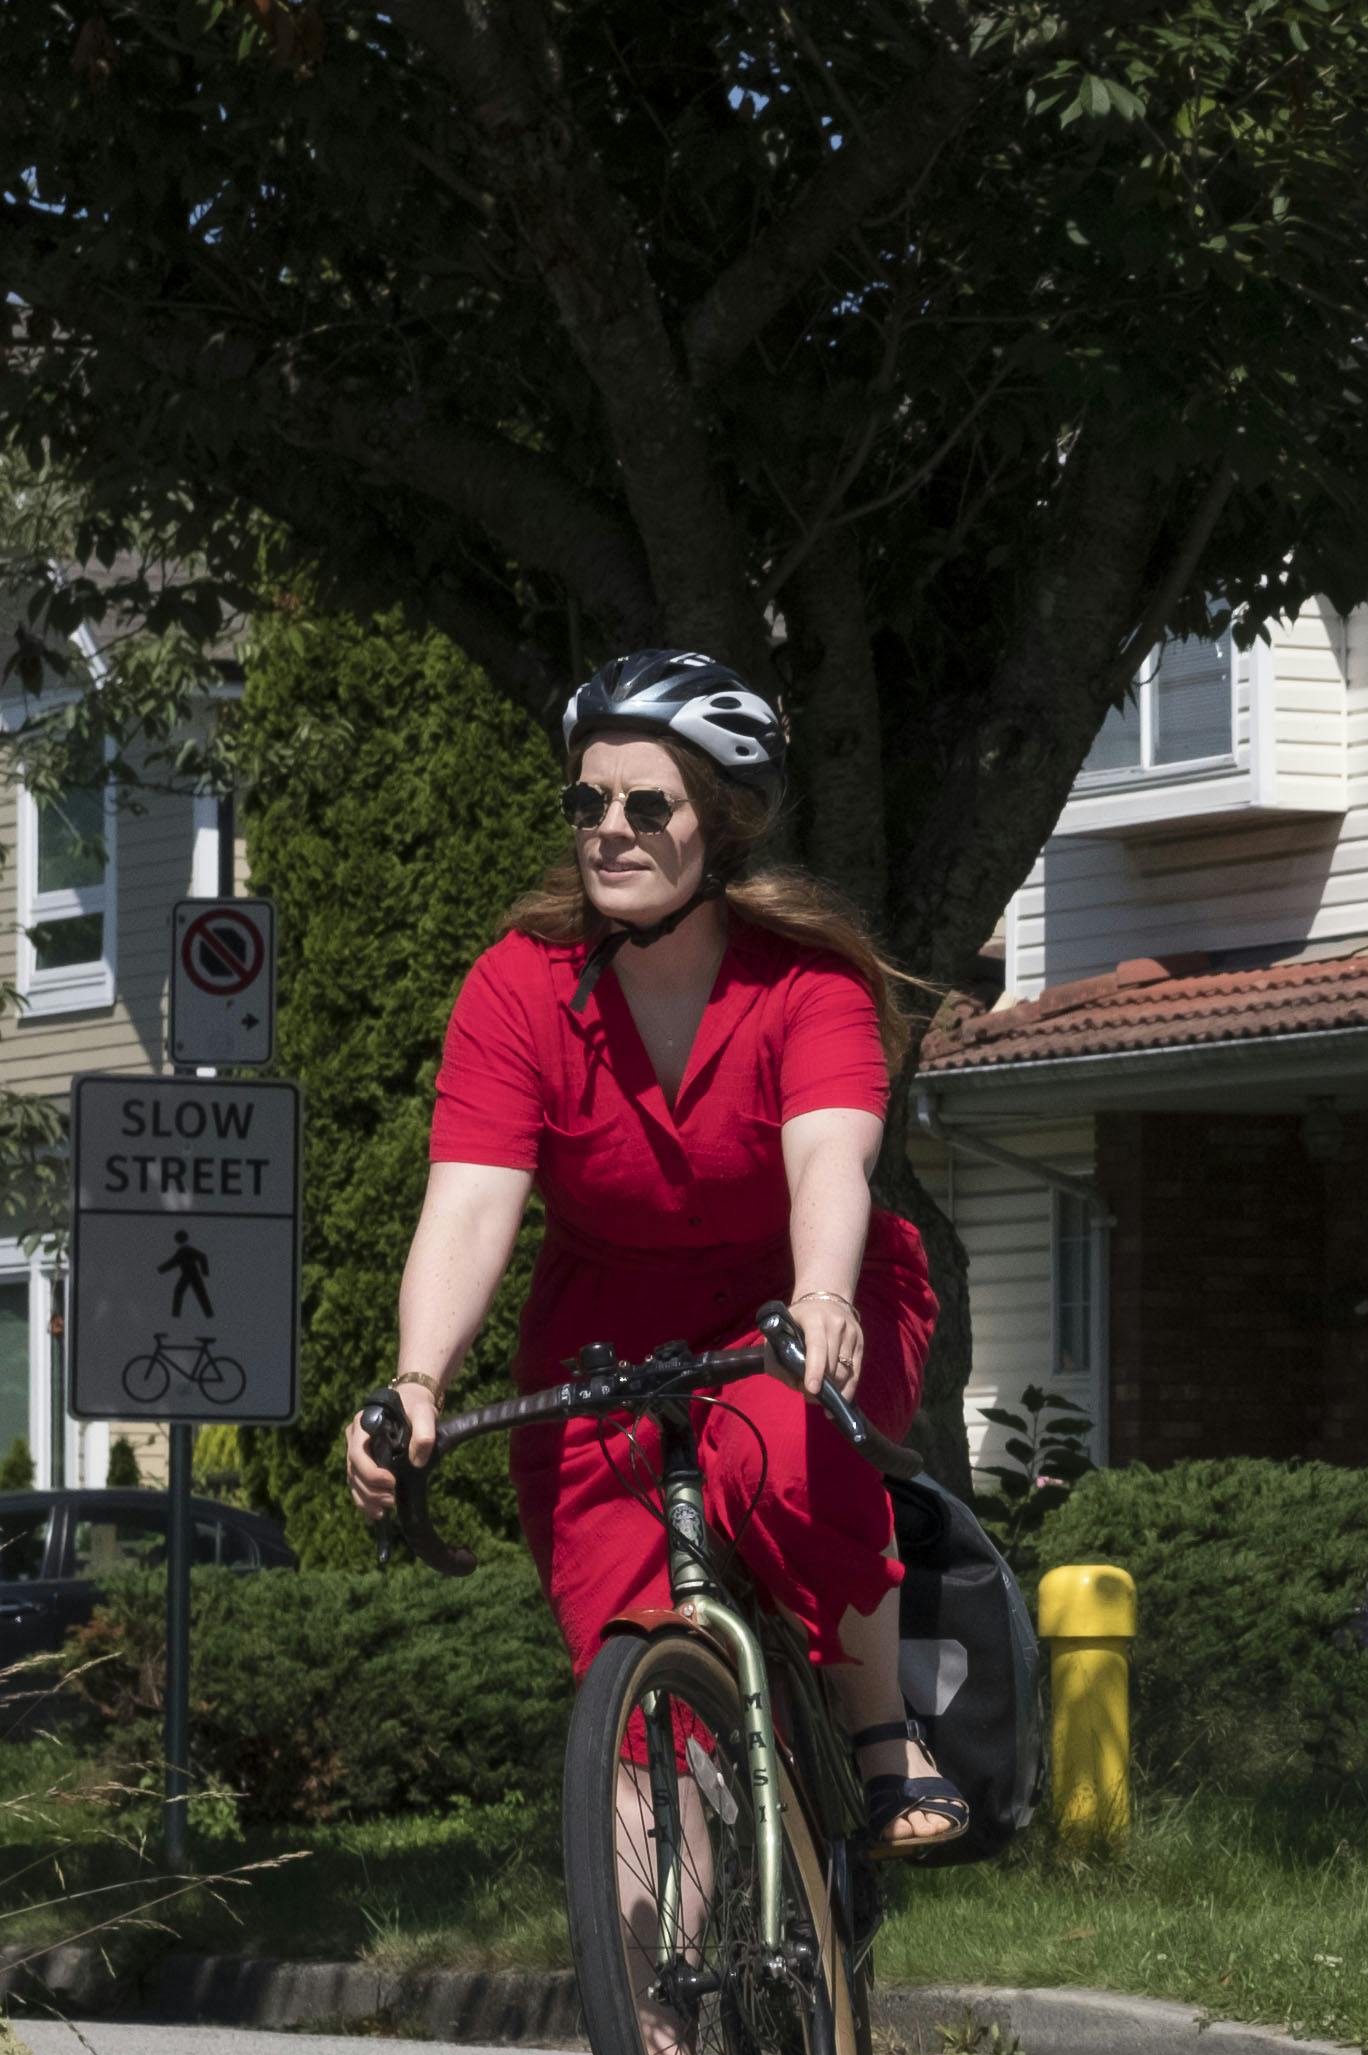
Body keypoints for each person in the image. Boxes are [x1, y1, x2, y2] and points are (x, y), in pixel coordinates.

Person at [339, 650, 974, 1862]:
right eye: (587, 804)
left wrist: (824, 1295)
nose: (609, 830)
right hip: (606, 1330)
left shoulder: (808, 983)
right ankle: (662, 2031)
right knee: (622, 1675)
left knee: (793, 1452)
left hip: (803, 1294)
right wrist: (418, 1379)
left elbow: (828, 1162)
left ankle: (883, 1732)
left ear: (719, 824)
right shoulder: (517, 989)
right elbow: (471, 1203)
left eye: (647, 805)